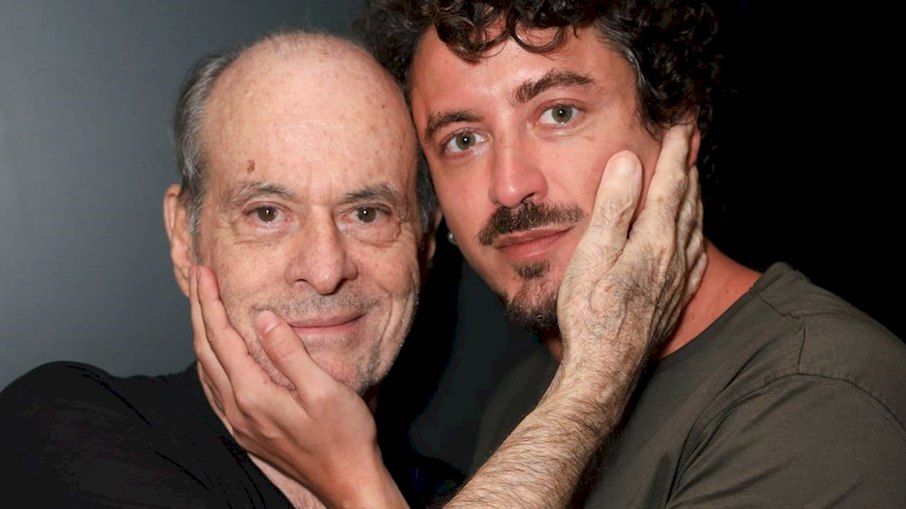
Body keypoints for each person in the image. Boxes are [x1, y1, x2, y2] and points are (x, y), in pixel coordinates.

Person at [192, 0, 906, 507]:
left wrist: (354, 483)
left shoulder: (819, 394)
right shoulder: (526, 395)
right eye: (463, 139)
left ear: (676, 122)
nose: (509, 186)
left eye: (558, 112)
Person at [0, 26, 704, 509]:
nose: (325, 268)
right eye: (268, 212)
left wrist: (357, 482)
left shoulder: (463, 489)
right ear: (185, 239)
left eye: (367, 213)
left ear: (424, 246)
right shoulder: (60, 430)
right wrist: (594, 378)